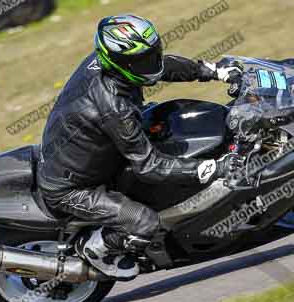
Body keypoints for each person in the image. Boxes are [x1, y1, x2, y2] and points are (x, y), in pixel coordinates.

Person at [37, 14, 244, 279]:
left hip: (87, 154)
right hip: (73, 189)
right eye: (143, 59)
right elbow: (150, 167)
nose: (152, 61)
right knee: (144, 222)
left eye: (153, 53)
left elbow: (159, 67)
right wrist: (213, 167)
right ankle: (96, 249)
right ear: (120, 63)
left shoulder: (112, 64)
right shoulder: (114, 106)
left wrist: (215, 71)